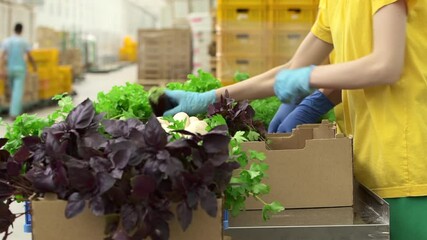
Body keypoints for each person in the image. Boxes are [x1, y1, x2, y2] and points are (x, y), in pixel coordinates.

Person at [164, 0, 427, 239]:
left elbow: (386, 65)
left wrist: (309, 79)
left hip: (410, 169)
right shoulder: (333, 4)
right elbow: (292, 69)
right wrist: (209, 98)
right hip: (371, 161)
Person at [0, 23, 37, 120]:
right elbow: (29, 56)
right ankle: (14, 114)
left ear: (14, 29)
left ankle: (16, 111)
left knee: (13, 91)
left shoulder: (7, 41)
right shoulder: (24, 42)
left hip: (10, 69)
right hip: (20, 70)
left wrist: (1, 69)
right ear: (21, 30)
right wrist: (34, 66)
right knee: (17, 92)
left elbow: (2, 56)